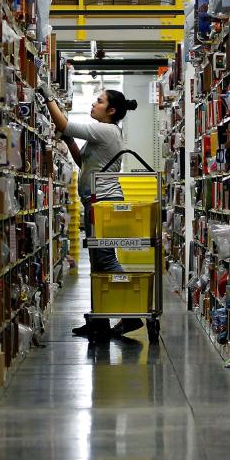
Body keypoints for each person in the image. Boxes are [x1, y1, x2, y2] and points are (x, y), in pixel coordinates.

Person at [38, 85, 144, 340]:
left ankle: (131, 314)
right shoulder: (104, 132)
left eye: (99, 101)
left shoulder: (105, 129)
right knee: (98, 265)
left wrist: (48, 95)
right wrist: (69, 141)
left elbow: (64, 123)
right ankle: (100, 321)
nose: (94, 104)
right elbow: (82, 162)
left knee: (106, 260)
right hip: (95, 202)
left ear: (111, 110)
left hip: (104, 203)